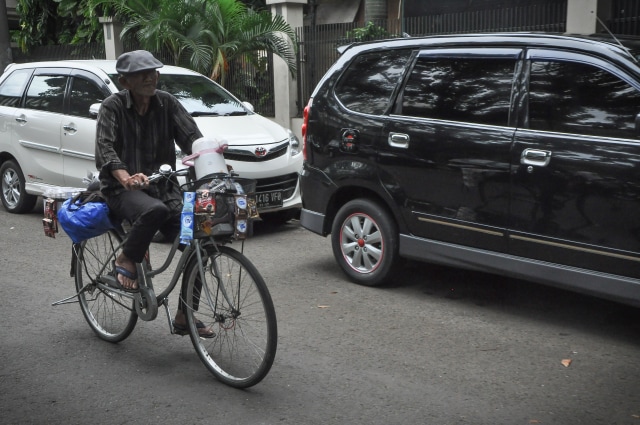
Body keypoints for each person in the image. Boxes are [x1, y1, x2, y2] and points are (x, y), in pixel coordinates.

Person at [95, 50, 214, 337]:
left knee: (202, 238)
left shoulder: (167, 103)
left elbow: (192, 139)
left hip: (163, 187)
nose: (150, 77)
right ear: (125, 81)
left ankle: (185, 314)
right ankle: (126, 258)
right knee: (153, 211)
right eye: (141, 73)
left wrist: (212, 161)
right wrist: (125, 177)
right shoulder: (112, 108)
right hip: (120, 191)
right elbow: (105, 149)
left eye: (153, 71)